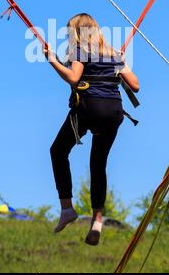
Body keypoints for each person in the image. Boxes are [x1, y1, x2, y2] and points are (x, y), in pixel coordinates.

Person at [43, 13, 139, 245]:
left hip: (89, 110)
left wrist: (52, 60)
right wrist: (117, 66)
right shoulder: (114, 54)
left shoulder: (79, 50)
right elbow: (135, 85)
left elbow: (74, 78)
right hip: (114, 113)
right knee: (98, 163)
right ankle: (97, 220)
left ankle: (67, 208)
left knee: (57, 151)